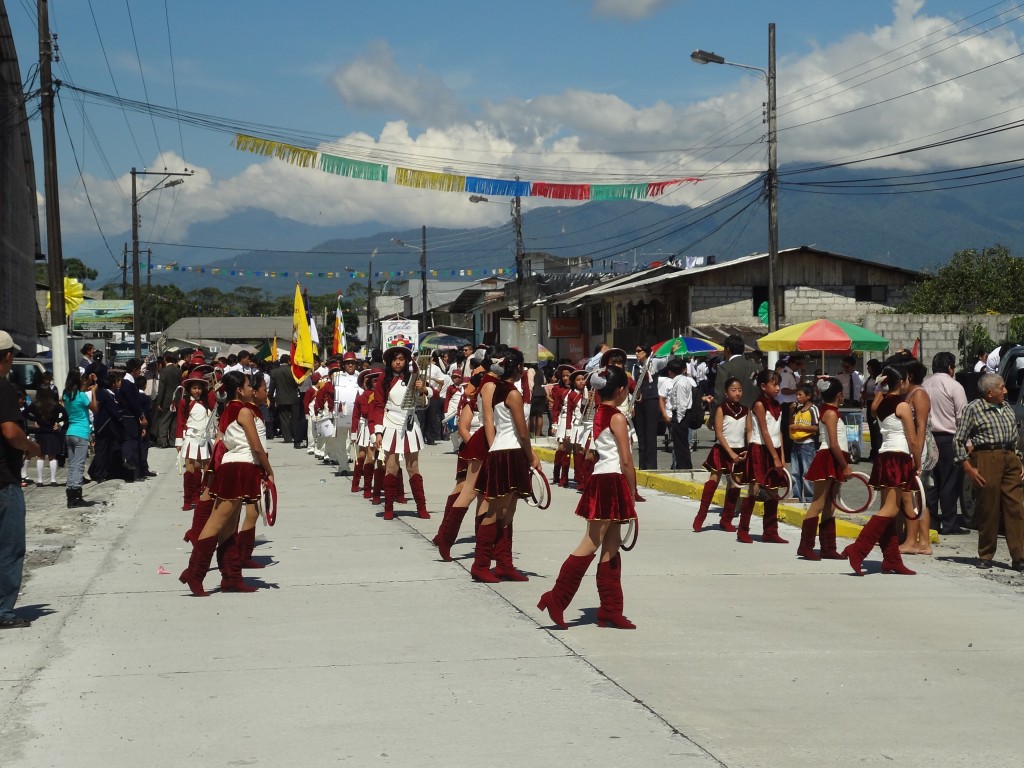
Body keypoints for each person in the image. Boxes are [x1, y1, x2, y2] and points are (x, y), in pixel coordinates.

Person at [537, 366, 637, 629]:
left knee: (612, 545)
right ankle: (556, 598)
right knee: (591, 543)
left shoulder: (600, 411)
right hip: (611, 480)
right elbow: (626, 461)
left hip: (604, 479)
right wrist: (632, 492)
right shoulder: (616, 417)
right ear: (620, 390)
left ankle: (611, 609)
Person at [178, 371, 273, 596]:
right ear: (240, 389)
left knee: (228, 529)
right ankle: (194, 572)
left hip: (238, 467)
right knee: (216, 524)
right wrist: (269, 472)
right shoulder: (242, 411)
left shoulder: (231, 409)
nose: (251, 389)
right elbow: (256, 447)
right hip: (239, 468)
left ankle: (231, 576)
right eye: (249, 385)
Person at [471, 348, 540, 582]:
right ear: (517, 368)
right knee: (497, 511)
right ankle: (480, 564)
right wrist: (532, 457)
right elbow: (522, 431)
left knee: (507, 511)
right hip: (509, 451)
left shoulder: (499, 388)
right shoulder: (512, 393)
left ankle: (504, 563)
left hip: (504, 450)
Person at [842, 365, 918, 576]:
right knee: (891, 509)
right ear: (901, 383)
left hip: (884, 455)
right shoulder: (902, 405)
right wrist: (918, 462)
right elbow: (912, 438)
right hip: (899, 456)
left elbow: (874, 408)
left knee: (888, 509)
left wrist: (879, 390)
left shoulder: (880, 403)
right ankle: (858, 549)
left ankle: (892, 559)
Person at [952, 373, 1024, 570]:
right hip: (986, 457)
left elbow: (1013, 436)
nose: (1005, 391)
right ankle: (986, 554)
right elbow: (958, 440)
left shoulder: (1006, 407)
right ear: (989, 392)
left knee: (1016, 508)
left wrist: (1018, 458)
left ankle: (1019, 556)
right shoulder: (973, 409)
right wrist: (968, 467)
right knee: (988, 507)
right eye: (1001, 388)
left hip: (1009, 457)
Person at [0, 331, 42, 628]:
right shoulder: (2, 388)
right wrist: (32, 446)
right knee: (10, 546)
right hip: (3, 480)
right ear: (7, 357)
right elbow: (11, 433)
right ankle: (2, 610)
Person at [433, 367, 487, 562]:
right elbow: (463, 429)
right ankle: (444, 533)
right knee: (464, 488)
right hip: (472, 449)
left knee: (484, 494)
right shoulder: (470, 401)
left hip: (491, 449)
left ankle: (483, 540)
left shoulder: (496, 401)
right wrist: (478, 449)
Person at [372, 346, 430, 520]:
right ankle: (389, 507)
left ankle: (421, 507)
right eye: (395, 359)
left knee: (413, 467)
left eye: (401, 359)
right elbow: (378, 406)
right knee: (391, 467)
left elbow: (426, 399)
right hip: (390, 424)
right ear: (389, 362)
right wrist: (378, 432)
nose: (398, 362)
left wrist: (423, 389)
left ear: (406, 361)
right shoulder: (383, 378)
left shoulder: (414, 377)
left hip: (410, 425)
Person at [798, 377, 850, 560]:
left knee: (830, 504)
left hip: (834, 459)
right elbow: (834, 444)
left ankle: (828, 547)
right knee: (818, 503)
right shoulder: (830, 413)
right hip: (828, 457)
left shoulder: (832, 411)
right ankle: (806, 546)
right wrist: (846, 467)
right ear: (839, 395)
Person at [737, 369, 788, 544]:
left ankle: (771, 531)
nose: (778, 388)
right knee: (755, 488)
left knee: (773, 489)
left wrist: (781, 456)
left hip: (774, 449)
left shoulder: (777, 405)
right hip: (759, 449)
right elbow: (765, 432)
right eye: (774, 384)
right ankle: (743, 529)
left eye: (778, 384)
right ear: (763, 386)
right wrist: (774, 456)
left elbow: (778, 432)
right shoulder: (759, 404)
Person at [692, 378, 748, 532]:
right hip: (722, 449)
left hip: (739, 451)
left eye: (739, 390)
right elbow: (719, 432)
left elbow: (749, 431)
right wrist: (729, 452)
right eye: (733, 390)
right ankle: (701, 515)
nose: (737, 393)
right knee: (713, 481)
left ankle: (727, 518)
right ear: (726, 392)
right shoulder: (721, 409)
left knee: (735, 484)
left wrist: (748, 448)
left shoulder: (745, 410)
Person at [922, 351, 969, 535]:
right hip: (949, 439)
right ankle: (950, 523)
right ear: (950, 367)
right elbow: (962, 417)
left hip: (929, 439)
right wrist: (968, 442)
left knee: (932, 482)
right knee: (950, 482)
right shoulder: (955, 386)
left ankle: (932, 522)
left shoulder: (924, 385)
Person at [900, 360, 934, 556]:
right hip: (913, 448)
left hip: (918, 449)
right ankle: (921, 542)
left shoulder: (919, 394)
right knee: (917, 496)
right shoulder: (911, 394)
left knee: (913, 495)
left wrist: (917, 454)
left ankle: (916, 541)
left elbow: (921, 425)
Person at [176, 368, 215, 511]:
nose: (197, 391)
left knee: (206, 468)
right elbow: (180, 421)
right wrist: (179, 441)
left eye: (199, 388)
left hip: (205, 439)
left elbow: (214, 411)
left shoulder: (207, 402)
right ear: (189, 389)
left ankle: (201, 496)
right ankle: (188, 499)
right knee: (191, 469)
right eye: (194, 388)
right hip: (191, 438)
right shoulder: (184, 403)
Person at [61, 371, 98, 508]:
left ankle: (70, 493)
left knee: (72, 464)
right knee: (79, 465)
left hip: (70, 432)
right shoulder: (82, 396)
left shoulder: (67, 394)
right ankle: (76, 495)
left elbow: (79, 391)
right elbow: (95, 409)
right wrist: (93, 392)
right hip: (81, 432)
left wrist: (88, 382)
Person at [631, 343, 666, 471]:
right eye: (635, 351)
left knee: (650, 433)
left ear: (645, 352)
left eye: (638, 351)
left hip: (651, 399)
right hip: (640, 401)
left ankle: (651, 465)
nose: (636, 353)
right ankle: (642, 465)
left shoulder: (653, 363)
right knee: (641, 434)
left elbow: (665, 361)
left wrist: (672, 352)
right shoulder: (635, 367)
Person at [24, 387, 67, 488]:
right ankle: (53, 480)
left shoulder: (35, 404)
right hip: (52, 432)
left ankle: (39, 480)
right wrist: (57, 420)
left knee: (40, 456)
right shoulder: (55, 404)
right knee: (52, 456)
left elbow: (24, 413)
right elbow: (65, 415)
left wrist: (35, 419)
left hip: (41, 432)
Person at [788, 382, 819, 503]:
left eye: (800, 394)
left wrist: (800, 428)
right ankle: (797, 496)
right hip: (796, 444)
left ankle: (810, 497)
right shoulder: (798, 409)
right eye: (797, 395)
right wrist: (791, 412)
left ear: (808, 396)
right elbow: (791, 424)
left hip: (807, 444)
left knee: (807, 472)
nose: (797, 397)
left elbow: (816, 428)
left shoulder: (813, 409)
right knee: (795, 472)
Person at [118, 359, 147, 482]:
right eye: (139, 369)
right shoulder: (128, 384)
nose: (140, 372)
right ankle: (134, 473)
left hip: (129, 418)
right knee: (133, 445)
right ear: (134, 370)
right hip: (129, 418)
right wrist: (141, 416)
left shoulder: (128, 383)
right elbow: (133, 403)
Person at [714, 334, 760, 409]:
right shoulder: (757, 367)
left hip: (733, 414)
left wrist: (714, 417)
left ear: (727, 349)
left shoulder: (725, 368)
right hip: (755, 413)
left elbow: (720, 396)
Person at [666, 358, 694, 471]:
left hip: (680, 416)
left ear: (671, 371)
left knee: (681, 444)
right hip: (680, 415)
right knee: (679, 444)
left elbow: (681, 404)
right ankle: (682, 465)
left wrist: (678, 419)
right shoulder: (682, 381)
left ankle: (684, 466)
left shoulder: (680, 383)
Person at [549, 364, 574, 485]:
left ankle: (565, 476)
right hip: (563, 419)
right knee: (561, 448)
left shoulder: (578, 389)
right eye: (563, 376)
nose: (565, 378)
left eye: (567, 376)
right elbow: (556, 408)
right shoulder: (558, 389)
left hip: (576, 421)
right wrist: (554, 423)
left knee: (570, 449)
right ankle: (556, 475)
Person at [777, 354, 804, 461]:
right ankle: (787, 454)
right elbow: (784, 390)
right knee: (787, 429)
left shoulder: (793, 374)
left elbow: (799, 384)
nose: (798, 366)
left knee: (792, 428)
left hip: (792, 404)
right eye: (797, 364)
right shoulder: (785, 374)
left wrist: (803, 373)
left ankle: (791, 452)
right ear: (791, 363)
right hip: (786, 404)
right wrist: (796, 391)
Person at [153, 352, 181, 448]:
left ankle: (163, 441)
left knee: (164, 420)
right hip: (177, 399)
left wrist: (159, 402)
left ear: (165, 359)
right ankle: (173, 441)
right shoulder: (178, 371)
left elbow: (162, 388)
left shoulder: (164, 371)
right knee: (174, 421)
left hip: (167, 399)